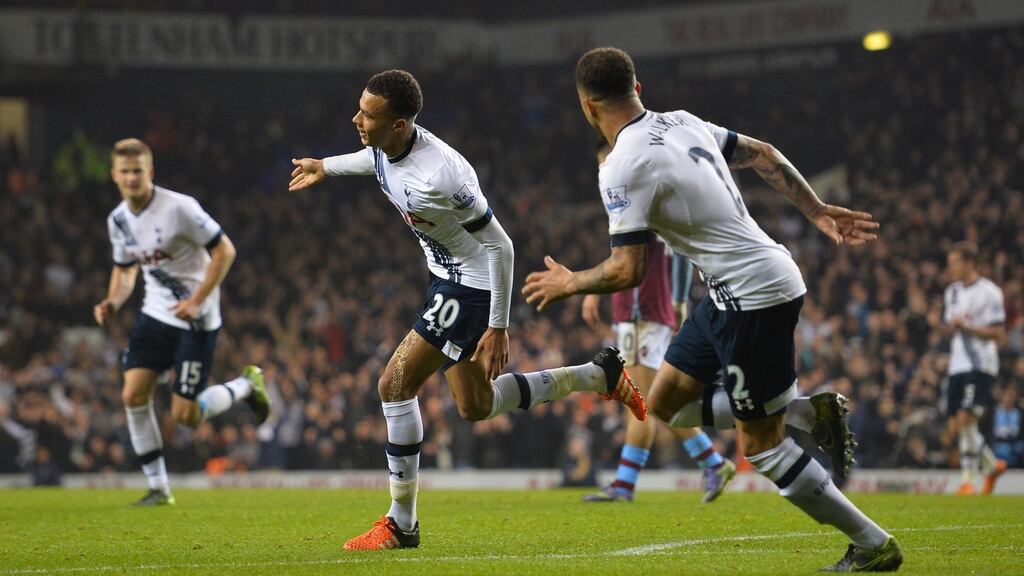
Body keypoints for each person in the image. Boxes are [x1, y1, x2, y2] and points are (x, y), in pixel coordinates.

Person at [523, 48, 902, 571]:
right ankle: (806, 414)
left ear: (586, 106)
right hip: (728, 292)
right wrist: (814, 209)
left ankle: (872, 542)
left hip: (755, 296)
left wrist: (570, 283)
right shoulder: (682, 121)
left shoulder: (620, 167)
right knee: (666, 404)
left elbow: (628, 269)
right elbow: (764, 154)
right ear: (640, 88)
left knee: (762, 446)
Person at [288, 69, 645, 551]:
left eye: (367, 115)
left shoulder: (442, 175)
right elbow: (371, 162)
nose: (356, 119)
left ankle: (401, 523)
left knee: (393, 384)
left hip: (471, 286)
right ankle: (596, 376)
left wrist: (498, 326)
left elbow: (502, 246)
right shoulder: (387, 145)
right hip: (445, 277)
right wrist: (324, 166)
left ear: (399, 125)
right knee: (475, 405)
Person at [95, 138, 270, 506]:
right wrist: (113, 301)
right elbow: (125, 270)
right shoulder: (119, 221)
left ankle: (245, 386)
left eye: (137, 171)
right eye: (124, 172)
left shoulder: (179, 208)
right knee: (132, 394)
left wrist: (198, 299)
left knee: (185, 416)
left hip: (196, 319)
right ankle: (159, 488)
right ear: (114, 175)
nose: (131, 178)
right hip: (155, 314)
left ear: (150, 173)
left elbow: (225, 250)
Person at [581, 142, 736, 504]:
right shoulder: (625, 202)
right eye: (600, 166)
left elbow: (678, 249)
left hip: (646, 312)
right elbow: (621, 256)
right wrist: (596, 292)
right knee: (642, 400)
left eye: (607, 164)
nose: (603, 172)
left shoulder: (644, 201)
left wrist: (679, 299)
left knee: (648, 399)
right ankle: (628, 484)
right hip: (631, 313)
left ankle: (711, 462)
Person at [942, 241, 1007, 495]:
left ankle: (967, 481)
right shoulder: (952, 292)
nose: (951, 268)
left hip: (980, 363)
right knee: (960, 422)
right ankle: (991, 466)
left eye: (956, 262)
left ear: (970, 263)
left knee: (966, 418)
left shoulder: (990, 292)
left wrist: (967, 327)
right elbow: (950, 326)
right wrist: (952, 327)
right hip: (957, 363)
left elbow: (998, 331)